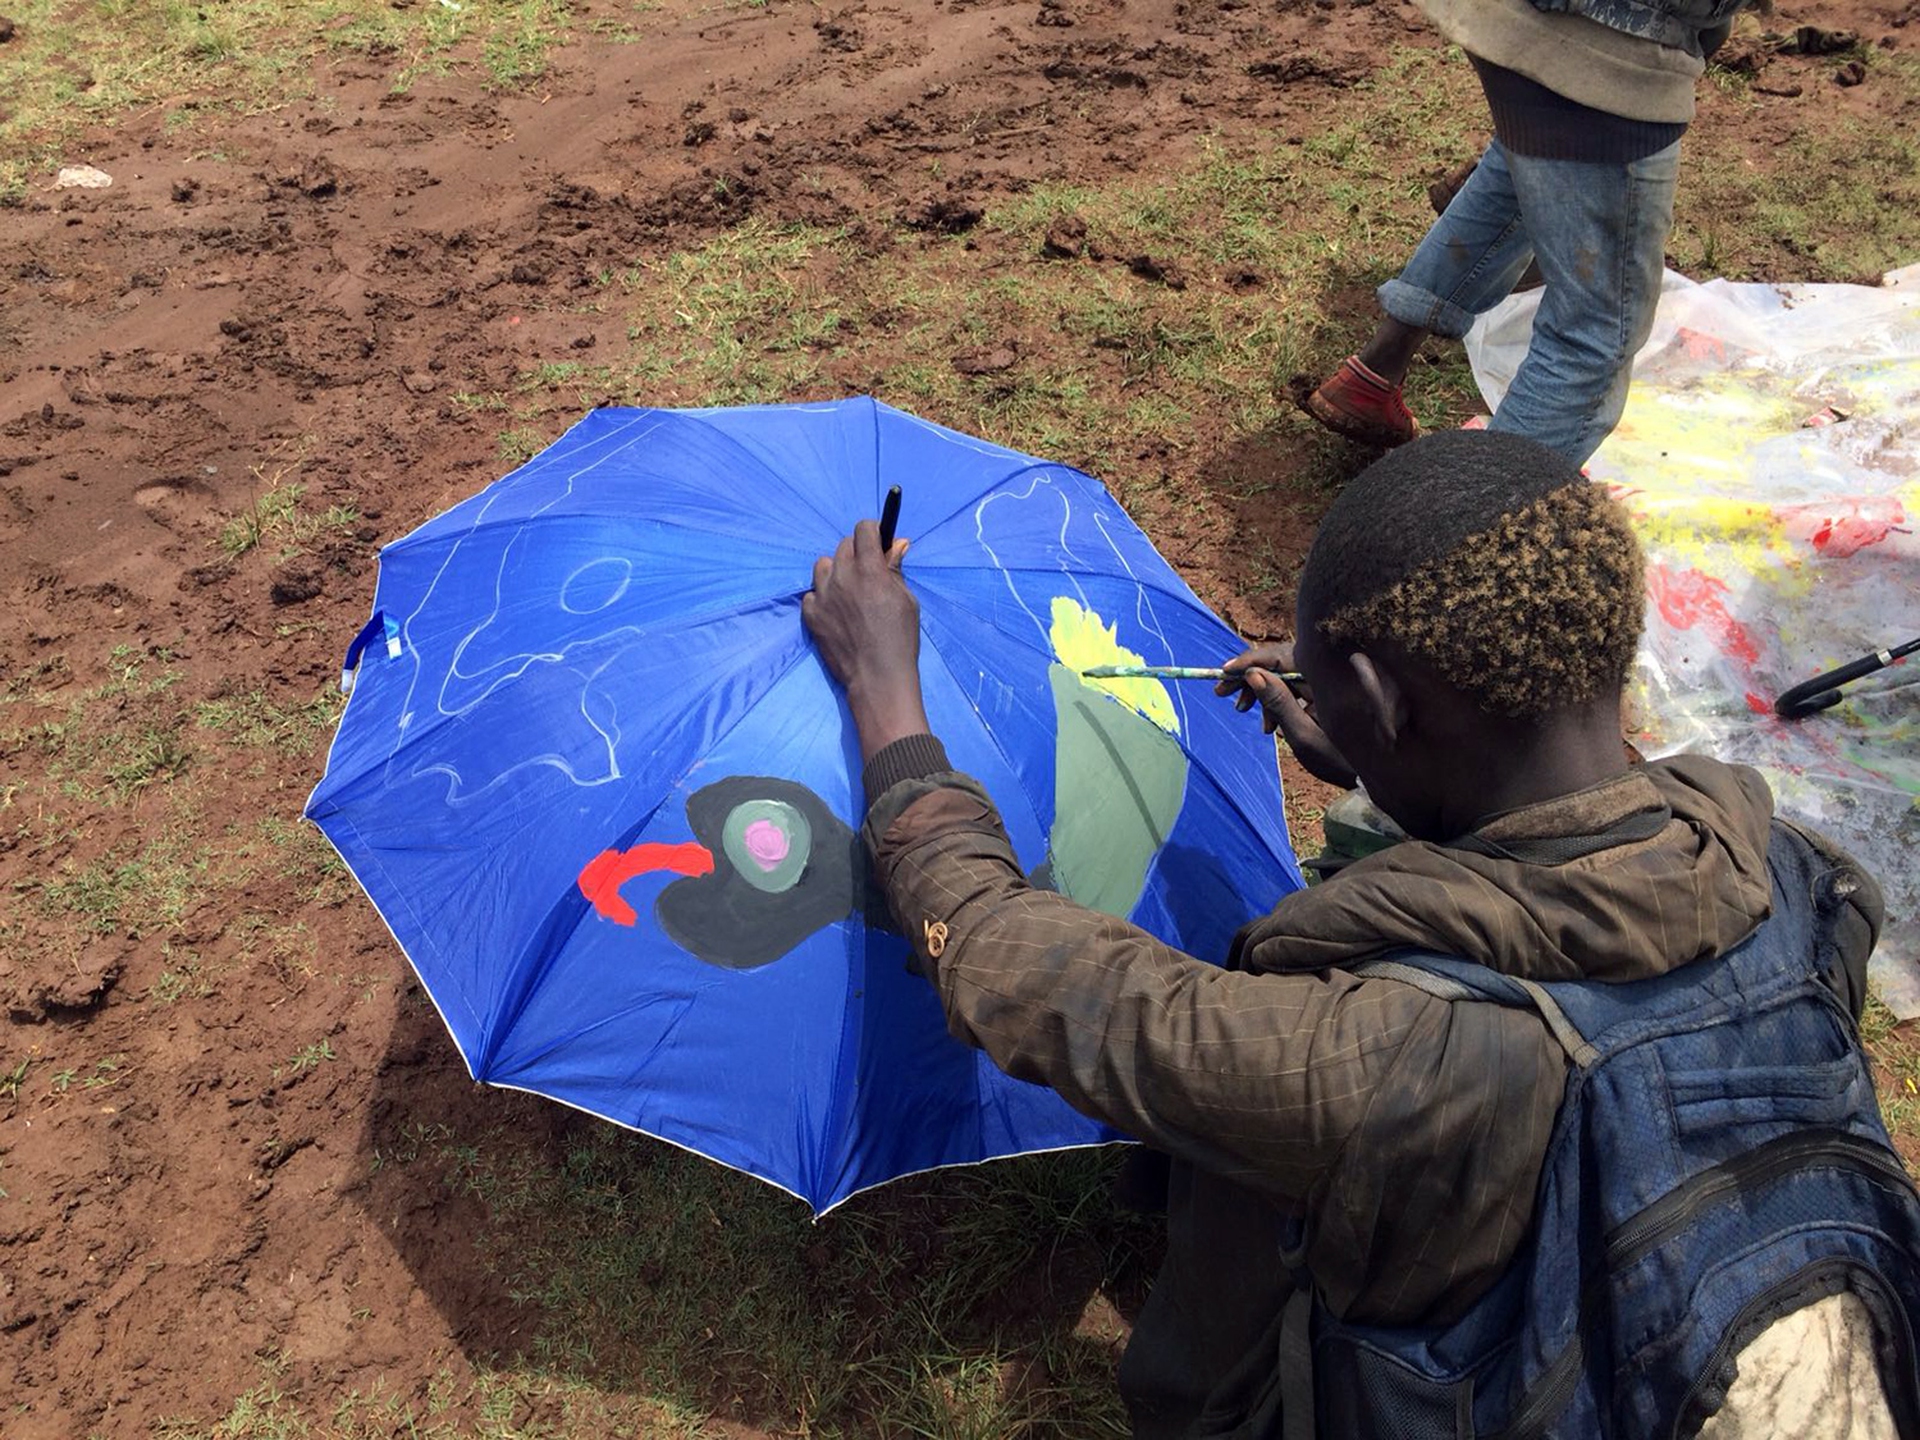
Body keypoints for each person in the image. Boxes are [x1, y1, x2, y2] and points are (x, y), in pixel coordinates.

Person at [801, 430, 1915, 1437]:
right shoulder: (1793, 868)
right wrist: (1393, 770)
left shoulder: (1375, 1061)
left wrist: (889, 702)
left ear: (1385, 702)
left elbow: (1014, 960)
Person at [1303, 0, 1743, 464]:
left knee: (1537, 161)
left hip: (1507, 21)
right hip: (1605, 53)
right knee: (1595, 331)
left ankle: (1374, 373)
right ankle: (1474, 519)